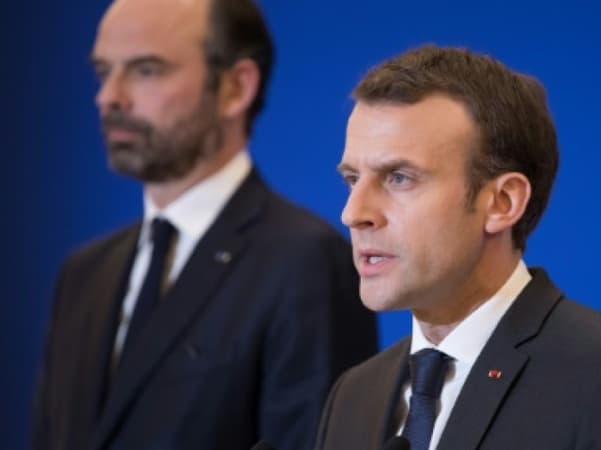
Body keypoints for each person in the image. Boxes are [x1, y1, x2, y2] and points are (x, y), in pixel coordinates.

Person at [315, 45, 601, 450]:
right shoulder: (354, 394)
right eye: (351, 179)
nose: (353, 212)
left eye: (398, 178)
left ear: (503, 202)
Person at [32, 0, 377, 449]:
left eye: (146, 69)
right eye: (103, 72)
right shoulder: (82, 274)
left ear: (235, 88)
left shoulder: (307, 261)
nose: (109, 96)